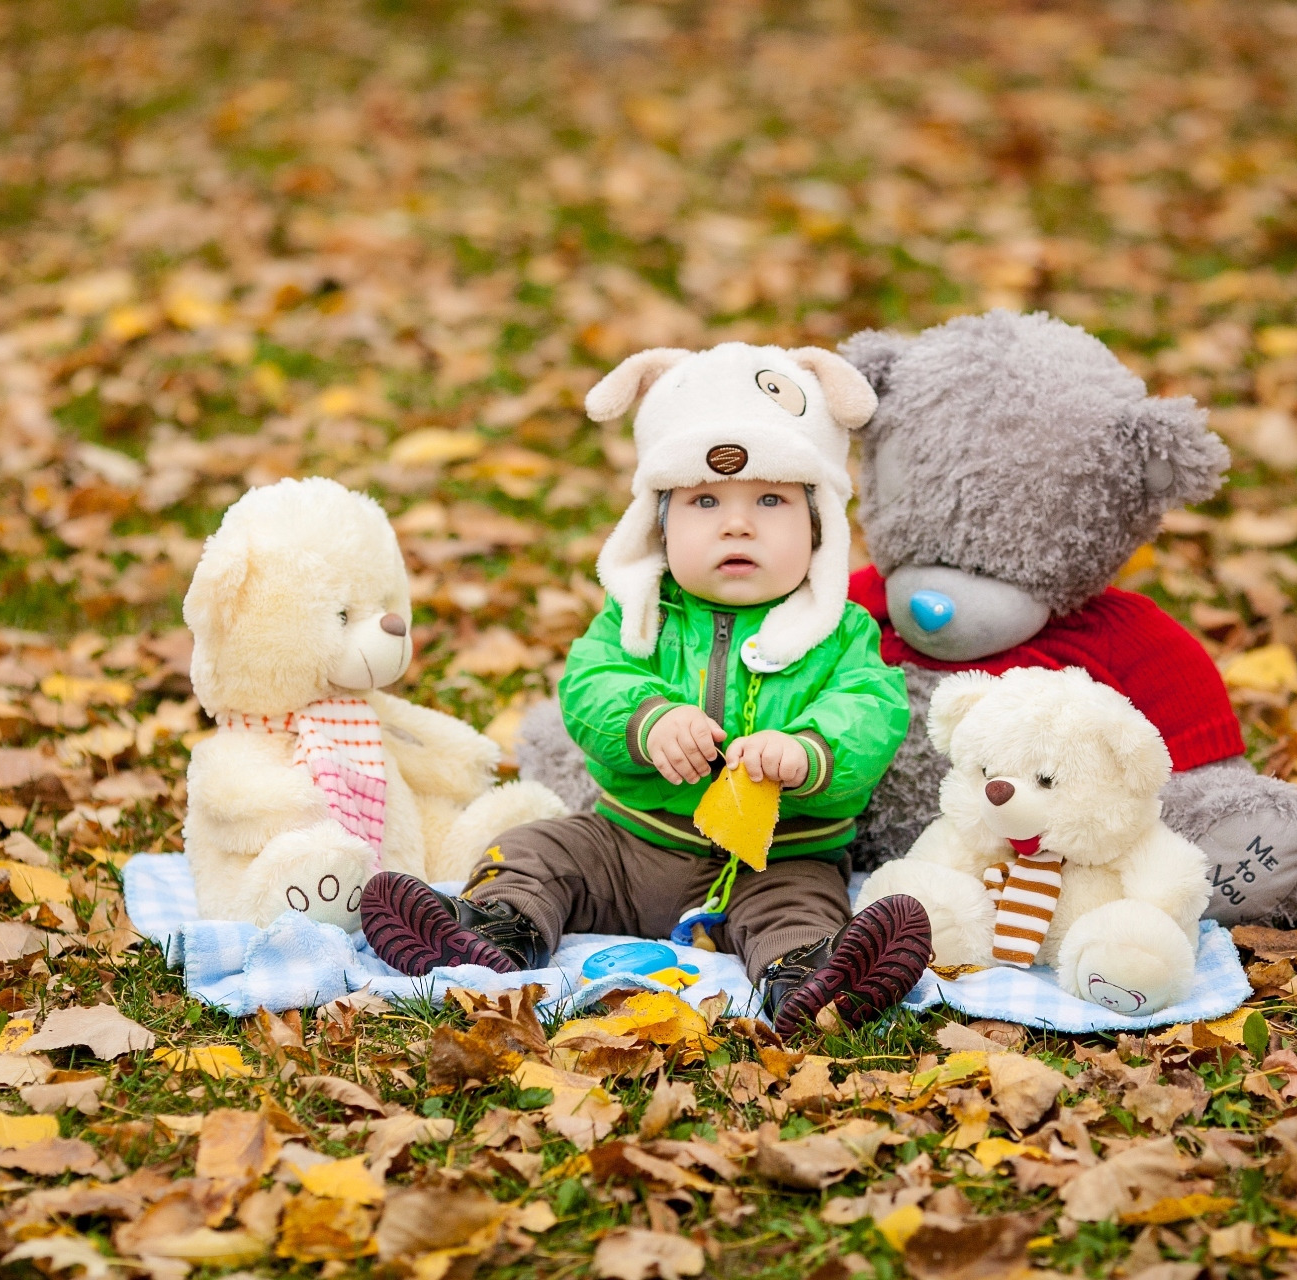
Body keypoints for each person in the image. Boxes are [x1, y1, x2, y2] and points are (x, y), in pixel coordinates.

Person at [357, 343, 929, 1035]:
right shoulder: (642, 612)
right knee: (537, 849)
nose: (737, 523)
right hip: (630, 848)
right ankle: (495, 936)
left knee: (801, 911)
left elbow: (872, 709)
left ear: (818, 525)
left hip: (780, 855)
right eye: (705, 500)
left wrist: (809, 752)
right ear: (660, 520)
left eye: (772, 499)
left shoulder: (840, 632)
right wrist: (649, 720)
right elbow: (591, 683)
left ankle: (813, 979)